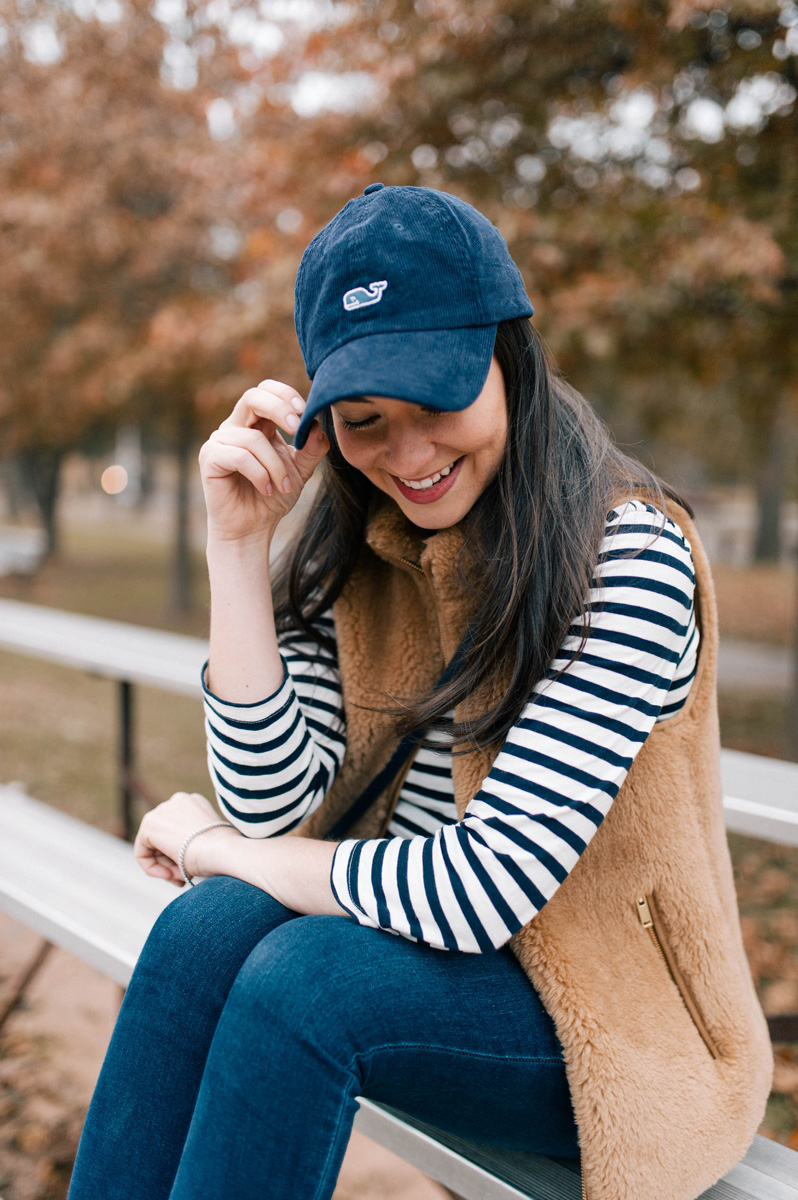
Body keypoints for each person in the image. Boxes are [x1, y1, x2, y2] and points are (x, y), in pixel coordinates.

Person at [67, 184, 771, 1200]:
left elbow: (481, 888)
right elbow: (281, 817)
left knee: (299, 980)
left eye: (435, 401)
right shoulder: (368, 541)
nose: (408, 457)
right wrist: (237, 546)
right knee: (203, 928)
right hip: (414, 973)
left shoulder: (627, 557)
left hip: (617, 1034)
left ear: (507, 356)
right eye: (363, 421)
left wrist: (208, 847)